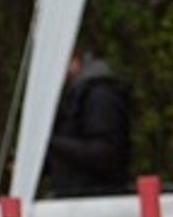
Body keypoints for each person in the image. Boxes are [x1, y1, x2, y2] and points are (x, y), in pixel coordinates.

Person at [43, 49, 133, 196]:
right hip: (76, 197)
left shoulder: (100, 96)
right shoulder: (74, 97)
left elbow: (104, 153)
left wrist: (51, 143)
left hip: (96, 197)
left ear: (74, 61)